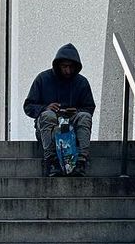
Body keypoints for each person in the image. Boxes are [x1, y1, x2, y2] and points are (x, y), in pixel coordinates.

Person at [23, 43, 95, 176]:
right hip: (49, 128)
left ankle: (81, 161)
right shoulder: (42, 79)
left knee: (84, 116)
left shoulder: (81, 82)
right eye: (64, 67)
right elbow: (28, 106)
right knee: (48, 115)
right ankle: (52, 161)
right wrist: (46, 108)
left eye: (71, 67)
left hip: (72, 128)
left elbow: (89, 107)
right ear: (58, 65)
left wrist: (76, 111)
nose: (68, 70)